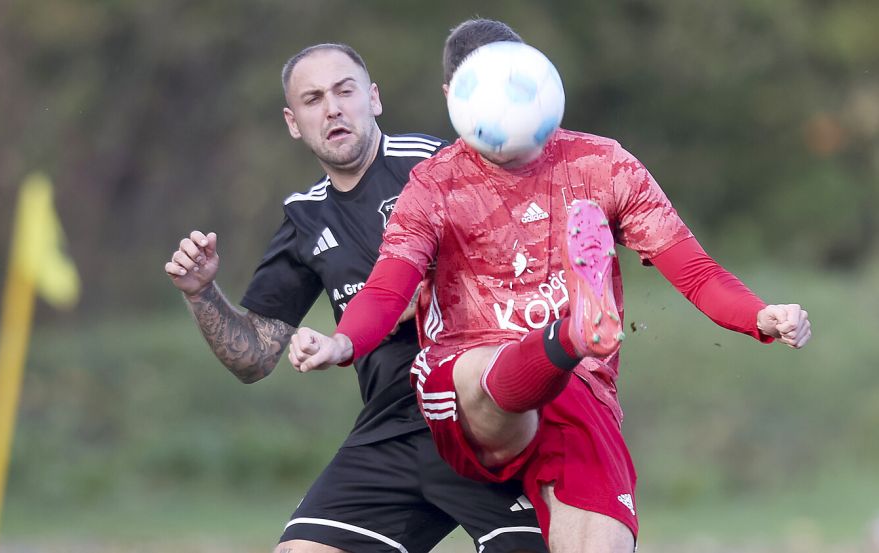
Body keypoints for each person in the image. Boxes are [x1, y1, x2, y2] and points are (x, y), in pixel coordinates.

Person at [287, 20, 812, 553]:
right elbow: (385, 291)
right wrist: (341, 343)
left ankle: (572, 339)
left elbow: (696, 272)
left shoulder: (604, 166)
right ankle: (568, 336)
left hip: (578, 394)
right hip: (467, 384)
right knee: (480, 376)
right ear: (454, 97)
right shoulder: (434, 184)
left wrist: (761, 317)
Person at [165, 42, 548, 553]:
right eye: (313, 99)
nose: (332, 108)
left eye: (345, 91)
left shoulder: (438, 164)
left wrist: (425, 292)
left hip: (481, 418)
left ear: (374, 99)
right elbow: (253, 357)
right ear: (293, 122)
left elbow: (525, 258)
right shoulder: (305, 219)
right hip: (390, 430)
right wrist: (202, 293)